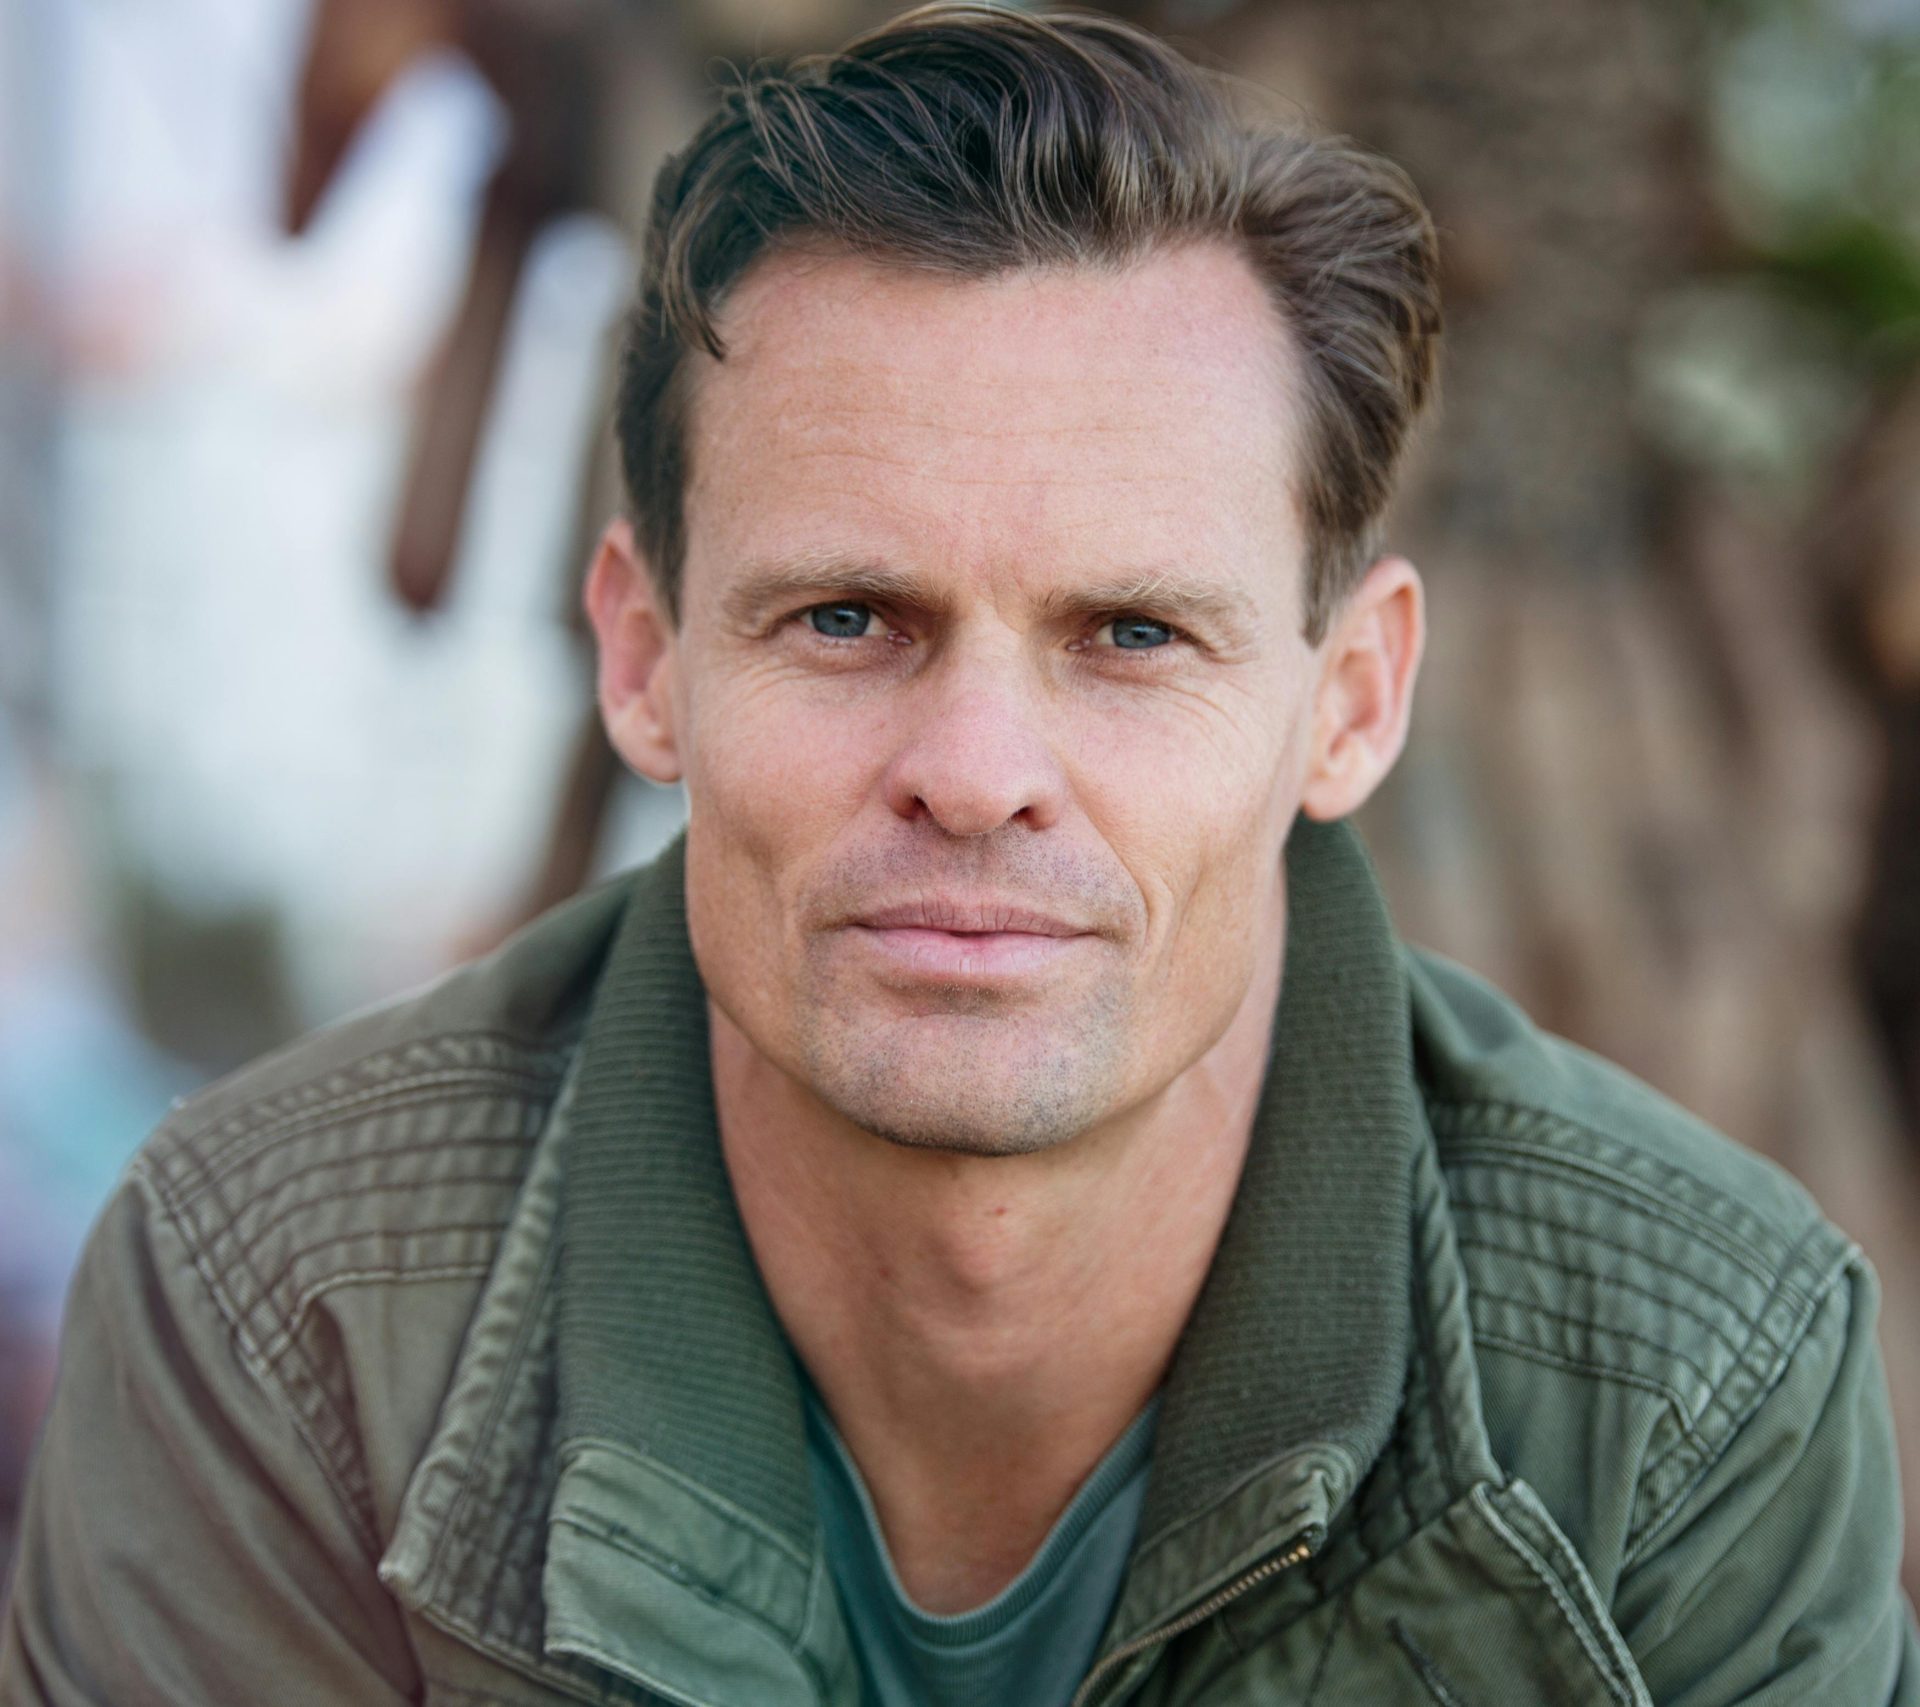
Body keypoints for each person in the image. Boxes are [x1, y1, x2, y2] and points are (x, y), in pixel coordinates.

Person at [3, 6, 1916, 1703]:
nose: (980, 773)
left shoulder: (1695, 1370)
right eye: (846, 618)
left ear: (1351, 703)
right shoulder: (283, 1301)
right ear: (645, 661)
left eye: (1133, 634)